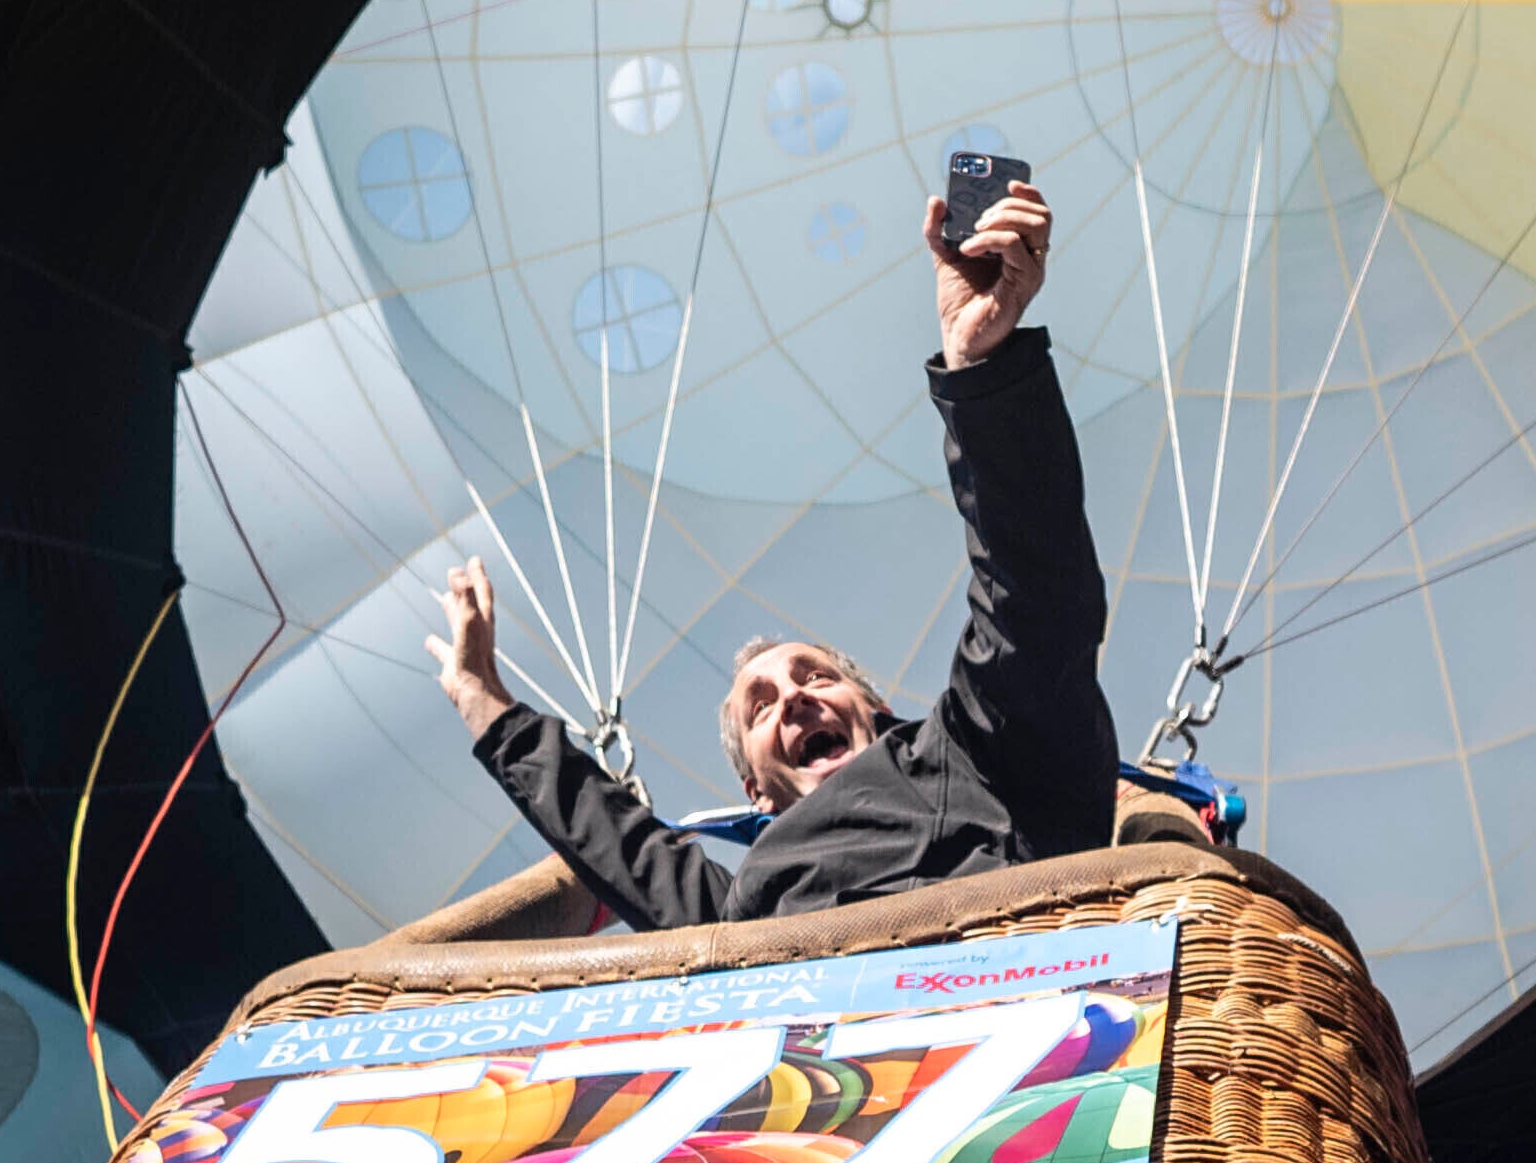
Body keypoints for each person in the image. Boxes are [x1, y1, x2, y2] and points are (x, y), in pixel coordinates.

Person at [437, 177, 1116, 928]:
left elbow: (1034, 593)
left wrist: (981, 367)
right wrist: (485, 703)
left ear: (879, 711)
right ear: (755, 790)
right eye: (761, 706)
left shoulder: (976, 756)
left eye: (817, 676)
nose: (793, 697)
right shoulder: (742, 906)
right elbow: (614, 839)